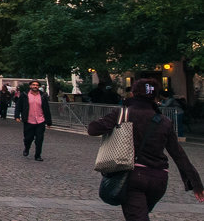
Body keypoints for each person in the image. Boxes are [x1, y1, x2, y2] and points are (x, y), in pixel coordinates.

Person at [87, 78, 203, 221]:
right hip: (159, 180)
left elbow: (92, 129)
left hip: (132, 177)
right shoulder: (164, 121)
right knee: (139, 215)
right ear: (155, 97)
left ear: (133, 94)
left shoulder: (123, 114)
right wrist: (196, 184)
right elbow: (179, 155)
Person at [16, 79, 52, 161]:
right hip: (29, 120)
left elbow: (46, 109)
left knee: (39, 139)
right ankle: (27, 148)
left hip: (40, 120)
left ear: (38, 87)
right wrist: (17, 116)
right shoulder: (24, 95)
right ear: (30, 86)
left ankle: (38, 155)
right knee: (28, 138)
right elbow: (19, 106)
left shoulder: (43, 96)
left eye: (37, 85)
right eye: (33, 85)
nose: (35, 86)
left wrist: (49, 122)